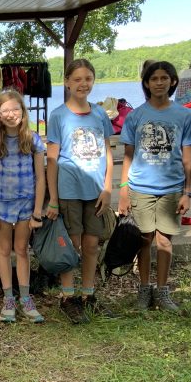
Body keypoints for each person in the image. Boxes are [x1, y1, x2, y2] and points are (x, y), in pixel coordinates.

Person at [118, 61, 191, 313]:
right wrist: (123, 189)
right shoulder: (135, 116)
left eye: (165, 78)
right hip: (140, 187)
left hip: (172, 188)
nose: (159, 82)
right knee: (144, 240)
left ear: (173, 81)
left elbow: (187, 157)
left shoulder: (184, 116)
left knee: (164, 241)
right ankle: (144, 290)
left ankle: (162, 292)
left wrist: (187, 192)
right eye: (154, 78)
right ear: (146, 83)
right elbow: (128, 155)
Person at [46, 59, 113, 324]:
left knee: (91, 244)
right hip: (69, 189)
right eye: (77, 79)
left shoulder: (99, 114)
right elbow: (52, 160)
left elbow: (107, 152)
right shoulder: (59, 116)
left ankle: (88, 294)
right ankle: (67, 296)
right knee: (72, 245)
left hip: (95, 190)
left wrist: (108, 188)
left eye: (87, 78)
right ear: (67, 82)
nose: (83, 84)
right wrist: (53, 198)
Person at [0, 90, 46, 323]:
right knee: (3, 251)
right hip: (1, 205)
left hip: (26, 204)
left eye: (15, 109)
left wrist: (37, 211)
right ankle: (8, 298)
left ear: (22, 111)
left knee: (22, 250)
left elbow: (40, 178)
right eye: (5, 110)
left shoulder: (32, 139)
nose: (11, 114)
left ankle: (26, 297)